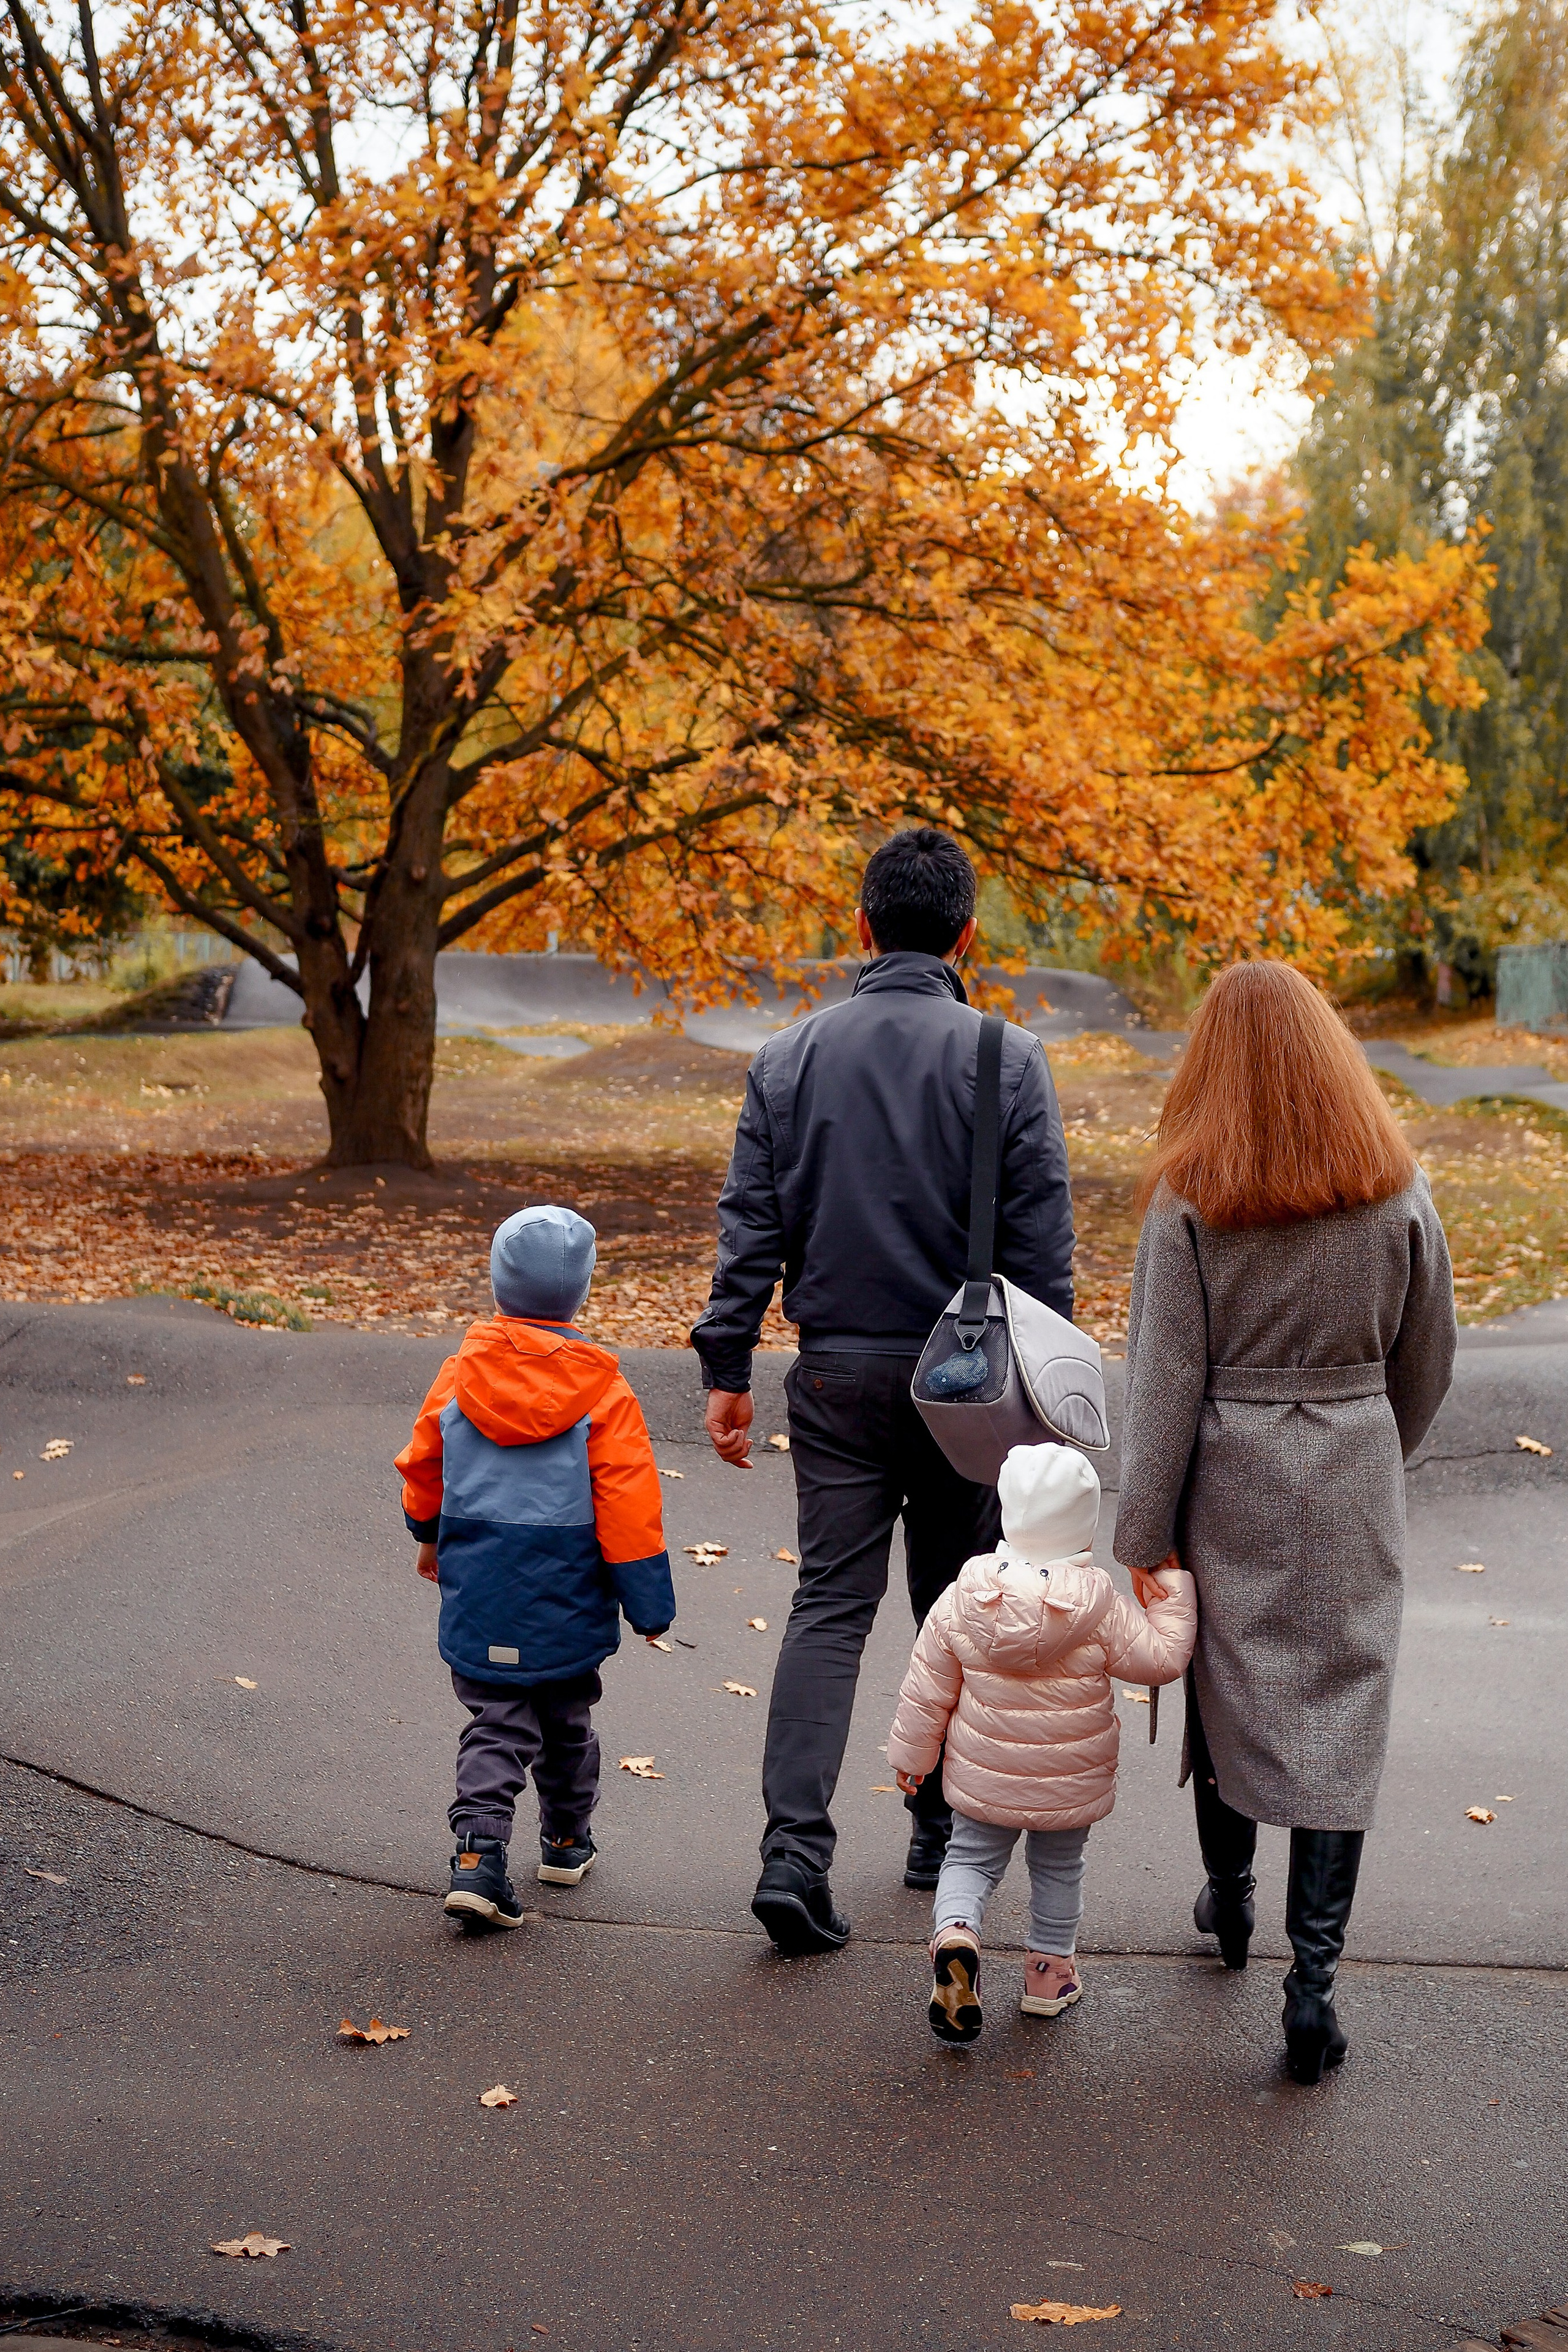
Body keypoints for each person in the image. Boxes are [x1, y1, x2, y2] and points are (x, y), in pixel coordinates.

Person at [691, 827, 1076, 1955]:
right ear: (967, 937)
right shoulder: (1009, 1058)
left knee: (829, 1606)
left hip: (837, 1374)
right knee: (959, 1605)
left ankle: (793, 1856)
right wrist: (1046, 1411)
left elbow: (750, 1229)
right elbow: (1042, 1255)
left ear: (861, 927)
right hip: (972, 1389)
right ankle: (938, 1832)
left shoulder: (788, 1058)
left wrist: (727, 1368)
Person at [1112, 962, 1457, 2084]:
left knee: (1228, 1686)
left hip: (1231, 1475)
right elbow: (1428, 1356)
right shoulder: (1395, 1189)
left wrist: (1142, 1535)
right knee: (1342, 1705)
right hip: (1353, 1466)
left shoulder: (1190, 1200)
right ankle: (1313, 1986)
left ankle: (1233, 1899)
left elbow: (1164, 1383)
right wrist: (1375, 1443)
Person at [396, 1205, 676, 1930]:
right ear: (580, 1293)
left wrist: (427, 1537)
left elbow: (425, 1464)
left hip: (483, 1583)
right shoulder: (603, 1392)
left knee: (497, 1719)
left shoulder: (460, 1374)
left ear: (498, 1284)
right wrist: (648, 1604)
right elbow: (628, 1502)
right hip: (568, 1591)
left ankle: (477, 1856)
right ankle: (564, 1841)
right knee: (565, 1719)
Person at [888, 1443, 1194, 2043]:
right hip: (1068, 1778)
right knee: (1058, 1868)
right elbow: (1160, 1660)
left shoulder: (964, 1596)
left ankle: (955, 1936)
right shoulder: (1098, 1605)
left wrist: (912, 1759)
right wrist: (1173, 1591)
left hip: (984, 1773)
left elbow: (927, 1688)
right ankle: (1048, 1979)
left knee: (969, 1860)